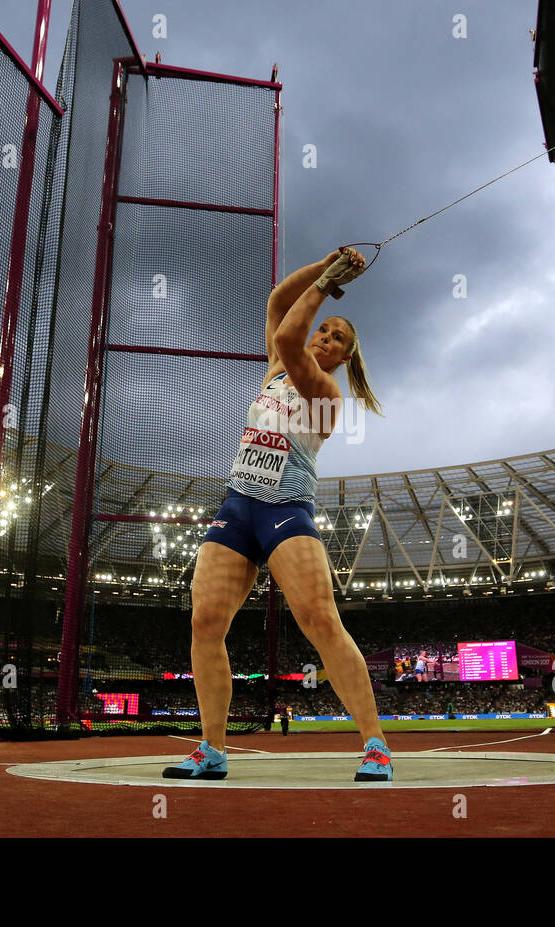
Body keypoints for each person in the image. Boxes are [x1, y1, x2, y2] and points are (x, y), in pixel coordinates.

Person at [164, 248, 393, 782]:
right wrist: (325, 266)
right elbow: (277, 302)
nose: (325, 337)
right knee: (204, 622)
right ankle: (213, 750)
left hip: (286, 511)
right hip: (238, 506)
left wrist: (328, 285)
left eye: (337, 337)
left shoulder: (324, 391)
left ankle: (376, 745)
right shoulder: (275, 370)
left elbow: (291, 335)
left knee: (319, 620)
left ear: (342, 358)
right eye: (325, 329)